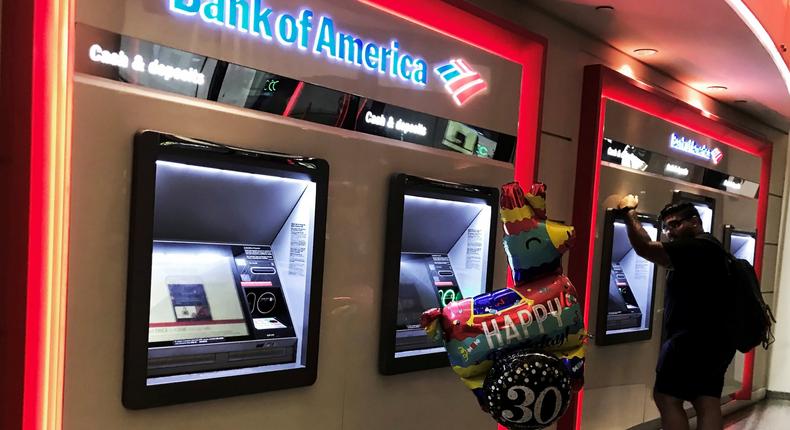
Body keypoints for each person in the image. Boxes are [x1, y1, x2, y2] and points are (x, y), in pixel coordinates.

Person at [616, 195, 735, 430]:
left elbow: (646, 248)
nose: (671, 232)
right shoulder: (712, 247)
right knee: (706, 400)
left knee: (666, 398)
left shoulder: (696, 247)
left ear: (694, 221)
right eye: (667, 227)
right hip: (717, 340)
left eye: (675, 224)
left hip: (688, 340)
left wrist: (629, 212)